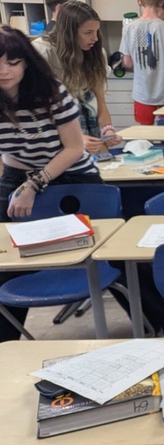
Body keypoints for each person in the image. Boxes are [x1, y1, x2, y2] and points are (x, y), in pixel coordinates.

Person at [0, 25, 102, 341]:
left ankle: (158, 322)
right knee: (8, 257)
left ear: (26, 63)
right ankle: (6, 343)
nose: (4, 71)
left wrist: (34, 185)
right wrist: (20, 183)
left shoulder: (51, 92)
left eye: (12, 62)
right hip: (18, 171)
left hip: (71, 171)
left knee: (104, 251)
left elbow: (74, 148)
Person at [32, 1, 123, 155]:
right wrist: (76, 138)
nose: (94, 38)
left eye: (96, 31)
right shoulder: (42, 52)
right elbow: (39, 112)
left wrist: (108, 130)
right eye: (88, 32)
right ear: (69, 33)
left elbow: (99, 99)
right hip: (56, 142)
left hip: (89, 134)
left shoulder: (96, 52)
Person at [119, 0, 164, 125]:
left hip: (142, 93)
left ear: (139, 2)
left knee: (146, 134)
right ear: (160, 2)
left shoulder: (129, 28)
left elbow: (128, 63)